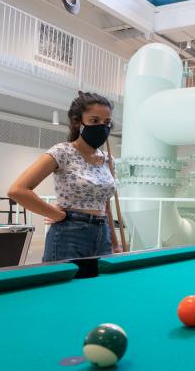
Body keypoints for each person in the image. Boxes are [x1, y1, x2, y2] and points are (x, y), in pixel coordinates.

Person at [8, 91, 119, 261]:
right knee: (65, 286)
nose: (102, 127)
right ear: (77, 122)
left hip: (102, 234)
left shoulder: (108, 160)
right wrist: (57, 214)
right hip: (69, 234)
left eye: (107, 122)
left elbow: (107, 206)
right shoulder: (63, 152)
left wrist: (114, 242)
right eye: (94, 121)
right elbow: (18, 190)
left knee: (98, 286)